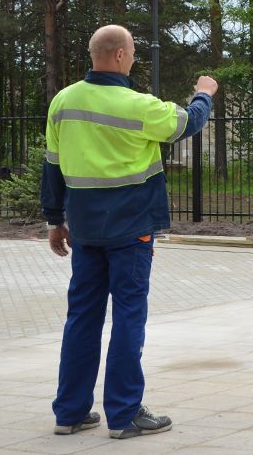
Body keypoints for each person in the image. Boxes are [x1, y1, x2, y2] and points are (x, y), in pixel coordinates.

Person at [42, 25, 216, 439]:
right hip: (131, 230)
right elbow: (187, 123)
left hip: (84, 230)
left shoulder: (63, 102)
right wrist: (205, 93)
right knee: (128, 318)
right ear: (120, 55)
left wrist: (54, 220)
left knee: (81, 318)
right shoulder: (139, 105)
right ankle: (123, 415)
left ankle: (69, 413)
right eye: (134, 52)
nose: (135, 58)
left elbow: (52, 166)